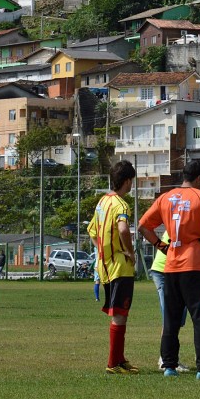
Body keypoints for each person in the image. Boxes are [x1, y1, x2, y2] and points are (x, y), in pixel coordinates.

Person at [139, 160, 200, 380]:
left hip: (171, 265)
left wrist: (162, 247)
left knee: (171, 318)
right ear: (198, 178)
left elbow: (142, 226)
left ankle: (169, 365)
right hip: (195, 265)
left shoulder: (166, 197)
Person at [86, 160, 139, 375]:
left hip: (105, 267)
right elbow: (124, 229)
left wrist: (102, 252)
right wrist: (129, 252)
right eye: (132, 182)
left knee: (119, 312)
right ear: (127, 181)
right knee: (120, 314)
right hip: (120, 268)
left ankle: (119, 357)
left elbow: (92, 231)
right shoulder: (121, 204)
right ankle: (112, 363)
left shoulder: (102, 202)